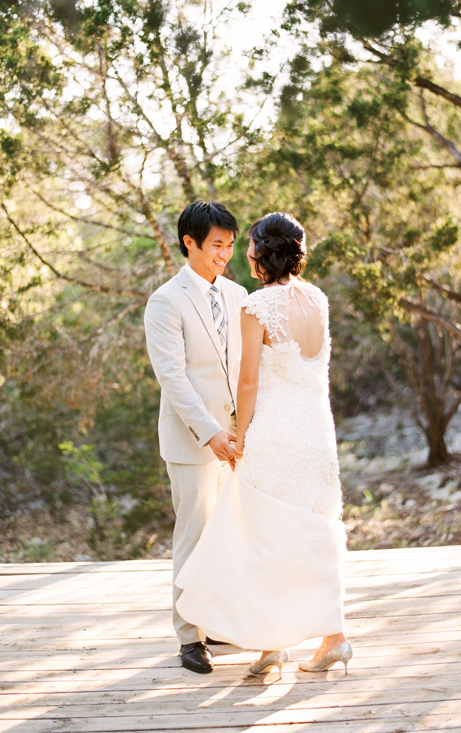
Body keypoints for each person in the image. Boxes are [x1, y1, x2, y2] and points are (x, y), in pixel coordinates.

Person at [176, 211, 351, 677]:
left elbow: (248, 383)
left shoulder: (257, 306)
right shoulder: (318, 299)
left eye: (249, 243)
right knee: (316, 532)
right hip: (316, 429)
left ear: (264, 252)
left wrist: (242, 437)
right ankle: (333, 636)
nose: (244, 252)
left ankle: (272, 645)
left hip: (274, 432)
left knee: (263, 536)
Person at [144, 201, 248, 675]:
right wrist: (211, 435)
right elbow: (174, 378)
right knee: (194, 534)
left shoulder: (236, 293)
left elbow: (245, 370)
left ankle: (219, 621)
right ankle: (190, 637)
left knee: (229, 534)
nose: (224, 254)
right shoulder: (165, 301)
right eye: (216, 245)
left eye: (229, 245)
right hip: (193, 442)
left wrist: (242, 430)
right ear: (190, 242)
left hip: (238, 439)